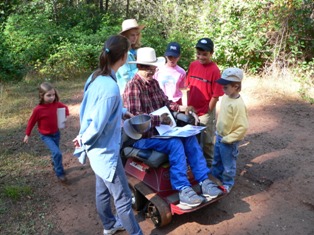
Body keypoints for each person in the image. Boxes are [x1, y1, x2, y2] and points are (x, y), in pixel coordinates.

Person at [123, 47, 219, 208]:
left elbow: (166, 103)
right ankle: (183, 189)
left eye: (154, 67)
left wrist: (182, 108)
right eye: (151, 67)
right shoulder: (133, 86)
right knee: (175, 143)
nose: (154, 70)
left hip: (160, 133)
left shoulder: (153, 83)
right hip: (143, 137)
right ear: (141, 67)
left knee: (188, 136)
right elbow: (136, 118)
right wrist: (158, 119)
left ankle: (203, 180)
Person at [73, 35, 143, 235]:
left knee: (102, 190)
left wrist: (121, 112)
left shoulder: (96, 76)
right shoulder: (111, 88)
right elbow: (97, 125)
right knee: (122, 200)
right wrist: (83, 139)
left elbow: (99, 108)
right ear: (123, 57)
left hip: (98, 153)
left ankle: (109, 225)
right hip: (105, 152)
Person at [206, 68, 249, 197]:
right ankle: (215, 178)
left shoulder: (238, 105)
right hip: (220, 136)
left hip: (229, 141)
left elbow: (243, 127)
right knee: (216, 160)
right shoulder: (226, 97)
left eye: (225, 87)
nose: (222, 90)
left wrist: (228, 139)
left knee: (228, 164)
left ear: (236, 86)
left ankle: (227, 183)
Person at [185, 37, 224, 168]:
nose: (201, 57)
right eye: (199, 54)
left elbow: (216, 94)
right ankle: (194, 163)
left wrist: (208, 109)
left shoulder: (214, 70)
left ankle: (210, 165)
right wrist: (188, 105)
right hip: (192, 109)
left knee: (207, 139)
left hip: (205, 110)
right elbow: (189, 86)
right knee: (192, 137)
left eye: (205, 54)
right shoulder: (193, 65)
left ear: (211, 53)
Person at [23, 82, 69, 183]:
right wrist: (27, 134)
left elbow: (65, 108)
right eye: (48, 95)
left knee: (55, 152)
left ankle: (54, 162)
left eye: (53, 95)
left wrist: (65, 116)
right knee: (57, 153)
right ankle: (59, 173)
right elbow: (31, 122)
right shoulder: (38, 110)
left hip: (56, 133)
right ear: (41, 95)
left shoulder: (56, 104)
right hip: (45, 135)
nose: (52, 97)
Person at [116, 19, 145, 95]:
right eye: (132, 35)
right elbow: (126, 76)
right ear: (125, 36)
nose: (135, 37)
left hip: (137, 90)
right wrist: (143, 70)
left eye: (137, 34)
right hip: (126, 93)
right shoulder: (121, 53)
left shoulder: (135, 51)